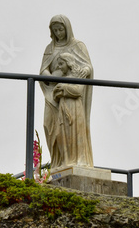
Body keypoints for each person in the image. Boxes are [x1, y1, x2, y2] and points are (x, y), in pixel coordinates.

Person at [39, 14, 94, 169]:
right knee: (49, 125)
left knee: (70, 127)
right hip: (52, 93)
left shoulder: (78, 46)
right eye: (55, 30)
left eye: (61, 30)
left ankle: (71, 159)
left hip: (70, 94)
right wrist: (51, 78)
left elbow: (87, 66)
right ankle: (57, 161)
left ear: (67, 29)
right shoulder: (50, 49)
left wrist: (84, 70)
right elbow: (43, 69)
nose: (58, 33)